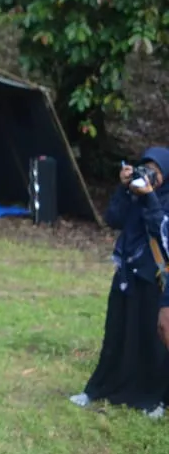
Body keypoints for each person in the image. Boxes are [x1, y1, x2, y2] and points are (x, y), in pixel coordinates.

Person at [71, 148, 169, 417]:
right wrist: (124, 189)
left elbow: (161, 231)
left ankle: (154, 399)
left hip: (156, 277)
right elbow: (113, 219)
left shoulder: (163, 199)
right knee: (116, 334)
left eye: (156, 171)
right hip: (127, 272)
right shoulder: (133, 194)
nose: (149, 175)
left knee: (151, 340)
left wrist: (150, 196)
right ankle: (98, 389)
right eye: (145, 168)